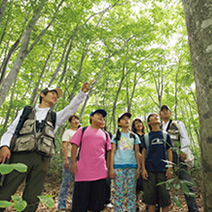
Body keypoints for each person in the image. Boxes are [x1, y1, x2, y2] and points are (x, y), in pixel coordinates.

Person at [0, 81, 92, 212]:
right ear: (42, 94)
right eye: (52, 93)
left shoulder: (55, 117)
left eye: (57, 95)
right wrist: (4, 146)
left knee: (33, 195)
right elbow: (11, 130)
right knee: (7, 189)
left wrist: (82, 93)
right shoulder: (26, 111)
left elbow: (71, 108)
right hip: (21, 156)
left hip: (42, 159)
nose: (55, 96)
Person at [70, 109, 111, 212]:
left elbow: (109, 152)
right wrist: (73, 163)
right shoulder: (83, 130)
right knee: (80, 204)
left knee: (96, 205)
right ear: (91, 117)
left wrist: (109, 168)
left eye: (102, 116)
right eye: (98, 115)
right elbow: (74, 146)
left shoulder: (106, 134)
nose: (101, 117)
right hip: (83, 172)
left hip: (100, 172)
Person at [160, 105, 199, 212]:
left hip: (177, 155)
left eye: (167, 110)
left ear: (170, 113)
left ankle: (193, 209)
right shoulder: (160, 127)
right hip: (165, 158)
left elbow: (184, 137)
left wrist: (184, 150)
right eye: (162, 111)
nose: (165, 112)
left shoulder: (177, 124)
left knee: (186, 182)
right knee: (163, 184)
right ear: (160, 114)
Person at [141, 113, 173, 212]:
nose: (156, 117)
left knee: (165, 199)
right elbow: (143, 153)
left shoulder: (165, 135)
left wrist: (169, 168)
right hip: (150, 171)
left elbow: (169, 151)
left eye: (157, 116)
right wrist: (143, 169)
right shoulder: (146, 137)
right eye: (153, 116)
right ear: (149, 122)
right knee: (151, 200)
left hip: (163, 171)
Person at [110, 112, 140, 212]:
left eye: (128, 119)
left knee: (131, 192)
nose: (127, 120)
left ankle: (131, 210)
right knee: (119, 192)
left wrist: (139, 168)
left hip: (132, 167)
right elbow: (112, 152)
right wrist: (111, 168)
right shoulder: (116, 136)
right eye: (123, 119)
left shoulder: (134, 136)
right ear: (119, 123)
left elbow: (137, 153)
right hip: (118, 166)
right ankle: (118, 210)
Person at [58, 115, 80, 211]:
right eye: (73, 120)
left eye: (77, 119)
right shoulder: (68, 132)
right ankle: (61, 205)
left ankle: (75, 205)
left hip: (80, 160)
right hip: (70, 158)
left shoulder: (81, 132)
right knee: (66, 182)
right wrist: (66, 159)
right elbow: (65, 146)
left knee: (77, 183)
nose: (76, 121)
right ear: (70, 122)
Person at [131, 117, 145, 212]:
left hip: (146, 162)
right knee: (136, 185)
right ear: (134, 126)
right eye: (136, 123)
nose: (139, 124)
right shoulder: (132, 136)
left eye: (140, 123)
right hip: (135, 162)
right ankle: (135, 204)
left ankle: (147, 204)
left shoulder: (146, 136)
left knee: (145, 184)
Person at [100, 119, 113, 209]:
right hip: (96, 161)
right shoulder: (92, 132)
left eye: (104, 121)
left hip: (106, 160)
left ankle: (107, 200)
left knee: (107, 181)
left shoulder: (108, 134)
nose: (102, 122)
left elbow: (111, 149)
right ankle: (98, 201)